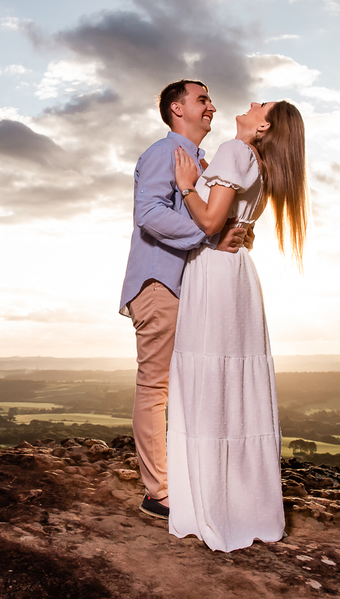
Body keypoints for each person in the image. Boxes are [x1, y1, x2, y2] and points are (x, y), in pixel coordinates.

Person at [166, 100, 308, 552]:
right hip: (238, 274)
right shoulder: (261, 164)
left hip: (213, 272)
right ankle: (246, 506)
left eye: (258, 104)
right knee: (235, 389)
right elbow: (235, 223)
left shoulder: (233, 150)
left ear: (263, 125)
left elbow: (209, 221)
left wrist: (187, 187)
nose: (249, 104)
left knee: (210, 385)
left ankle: (214, 507)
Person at [119, 80, 249, 521]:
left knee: (185, 386)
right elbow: (150, 213)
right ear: (177, 108)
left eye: (211, 99)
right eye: (202, 99)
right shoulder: (165, 154)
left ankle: (185, 480)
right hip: (159, 284)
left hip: (185, 288)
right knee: (155, 387)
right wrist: (208, 232)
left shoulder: (200, 162)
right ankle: (158, 493)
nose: (211, 106)